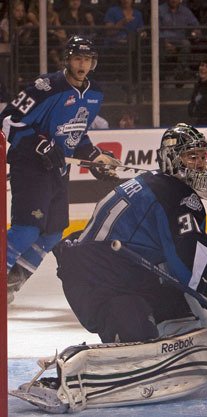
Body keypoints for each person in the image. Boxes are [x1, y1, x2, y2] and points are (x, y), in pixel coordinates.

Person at [10, 123, 207, 413]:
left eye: (203, 157)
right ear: (170, 159)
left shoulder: (159, 184)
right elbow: (188, 260)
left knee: (188, 333)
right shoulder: (176, 196)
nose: (201, 164)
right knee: (138, 346)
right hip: (100, 278)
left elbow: (179, 262)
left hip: (128, 271)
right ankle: (67, 379)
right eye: (191, 157)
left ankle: (151, 351)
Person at [2, 35, 121, 304]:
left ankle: (12, 280)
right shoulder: (46, 87)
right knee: (28, 229)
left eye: (87, 59)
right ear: (67, 59)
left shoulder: (94, 94)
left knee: (54, 232)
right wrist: (41, 145)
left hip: (57, 171)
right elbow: (8, 121)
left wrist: (94, 157)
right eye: (78, 58)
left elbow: (76, 136)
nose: (82, 64)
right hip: (29, 167)